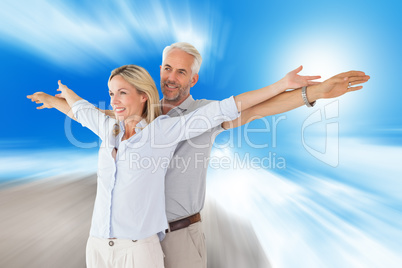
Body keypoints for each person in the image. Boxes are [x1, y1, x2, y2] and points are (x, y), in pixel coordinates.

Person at [27, 42, 370, 268]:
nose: (171, 77)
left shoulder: (203, 114)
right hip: (129, 239)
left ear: (194, 77)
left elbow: (258, 110)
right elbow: (89, 116)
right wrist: (58, 101)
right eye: (166, 68)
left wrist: (313, 93)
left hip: (178, 235)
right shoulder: (134, 118)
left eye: (180, 71)